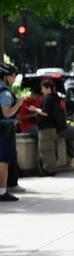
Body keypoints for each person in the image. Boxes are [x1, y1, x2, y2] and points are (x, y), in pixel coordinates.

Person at [0, 63, 24, 201]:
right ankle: (2, 191)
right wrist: (18, 104)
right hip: (5, 132)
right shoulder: (5, 93)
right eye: (13, 76)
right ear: (6, 76)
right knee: (3, 161)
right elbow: (7, 113)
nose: (14, 79)